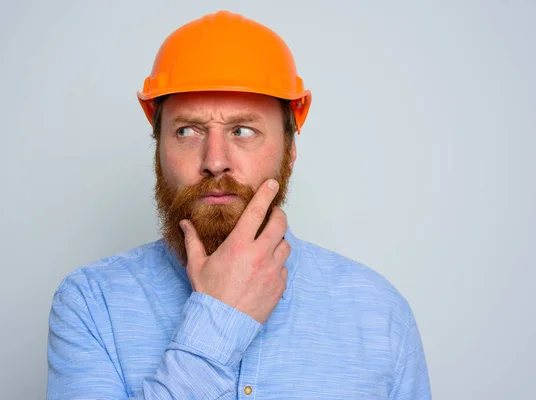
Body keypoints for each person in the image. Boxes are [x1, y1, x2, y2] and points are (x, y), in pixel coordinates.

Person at [47, 10, 431, 399]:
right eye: (187, 130)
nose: (215, 160)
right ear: (158, 149)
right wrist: (221, 317)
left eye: (243, 130)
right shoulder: (92, 304)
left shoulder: (379, 314)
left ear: (290, 149)